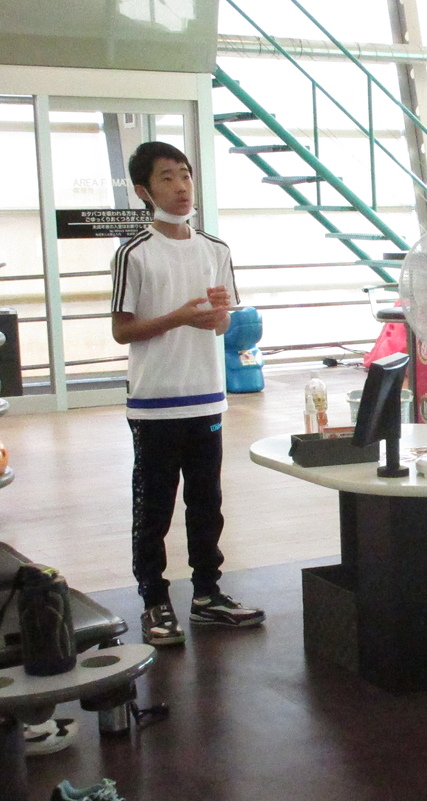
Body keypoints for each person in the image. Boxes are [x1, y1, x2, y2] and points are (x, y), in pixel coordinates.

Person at [111, 141, 265, 648]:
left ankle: (207, 595)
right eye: (167, 179)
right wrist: (179, 316)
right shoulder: (133, 253)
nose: (181, 189)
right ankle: (154, 599)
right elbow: (122, 331)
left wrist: (218, 316)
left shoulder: (215, 249)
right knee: (153, 506)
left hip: (206, 398)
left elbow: (221, 325)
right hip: (154, 400)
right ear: (143, 191)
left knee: (207, 502)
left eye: (185, 177)